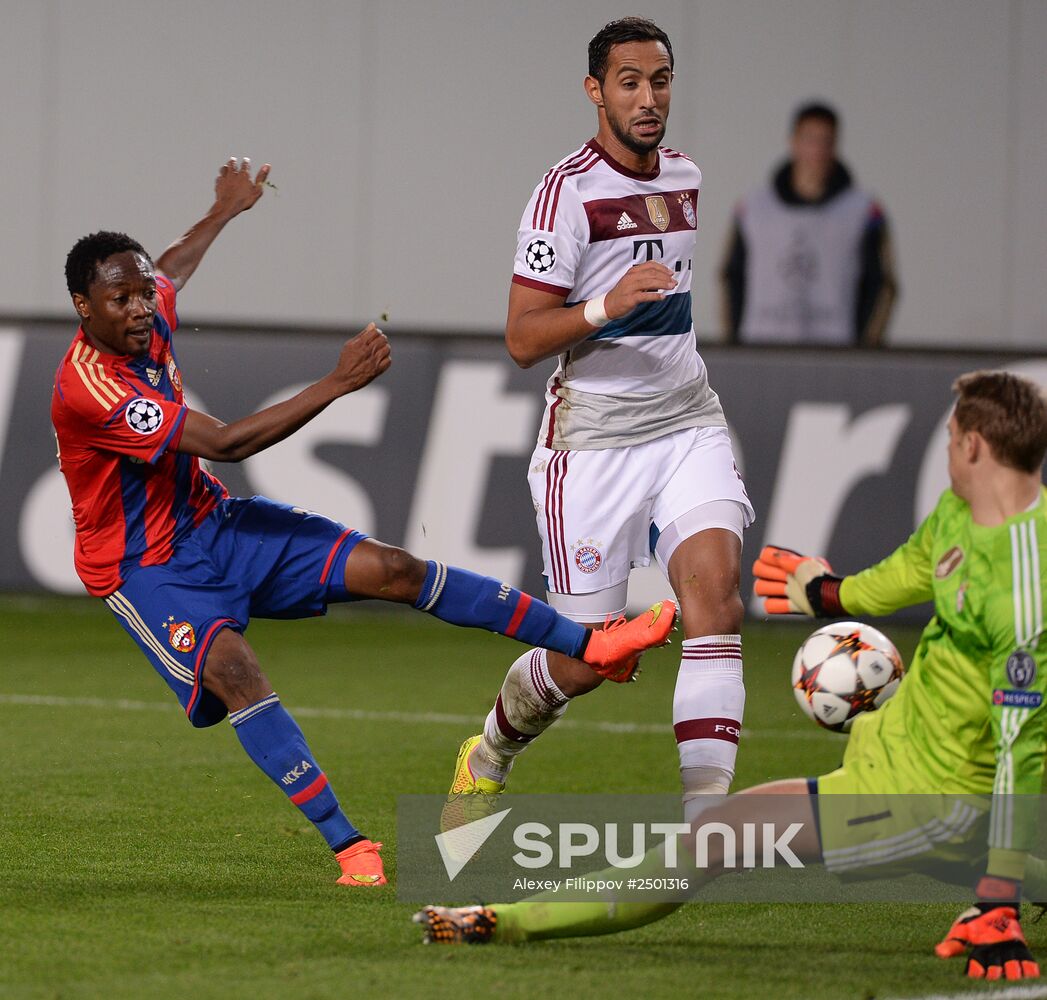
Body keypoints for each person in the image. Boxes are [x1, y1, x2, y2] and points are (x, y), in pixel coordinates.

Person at [52, 159, 677, 888]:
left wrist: (223, 210)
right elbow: (226, 443)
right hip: (146, 567)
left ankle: (591, 646)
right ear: (82, 308)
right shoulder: (88, 388)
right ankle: (351, 848)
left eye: (138, 294)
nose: (138, 308)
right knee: (235, 673)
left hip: (212, 523)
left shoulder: (146, 309)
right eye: (118, 298)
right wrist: (339, 381)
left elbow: (171, 270)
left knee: (394, 569)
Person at [417, 370, 1047, 983]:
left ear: (972, 445)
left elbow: (1022, 746)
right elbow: (915, 568)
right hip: (896, 776)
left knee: (710, 844)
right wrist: (829, 593)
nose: (946, 456)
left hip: (924, 804)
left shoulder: (1024, 594)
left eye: (950, 443)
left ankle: (496, 921)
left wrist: (998, 897)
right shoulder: (961, 517)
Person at [440, 16, 754, 831]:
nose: (648, 99)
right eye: (628, 82)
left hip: (686, 417)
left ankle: (703, 825)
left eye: (660, 81)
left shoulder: (685, 174)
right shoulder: (563, 195)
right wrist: (604, 306)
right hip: (594, 441)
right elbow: (520, 338)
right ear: (595, 91)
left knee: (715, 597)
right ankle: (489, 753)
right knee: (586, 658)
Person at [720, 101, 898, 347]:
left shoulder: (864, 211)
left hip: (836, 353)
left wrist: (865, 350)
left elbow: (881, 284)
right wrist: (733, 345)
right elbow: (731, 276)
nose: (817, 150)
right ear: (792, 142)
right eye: (809, 139)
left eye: (826, 141)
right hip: (762, 349)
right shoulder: (753, 208)